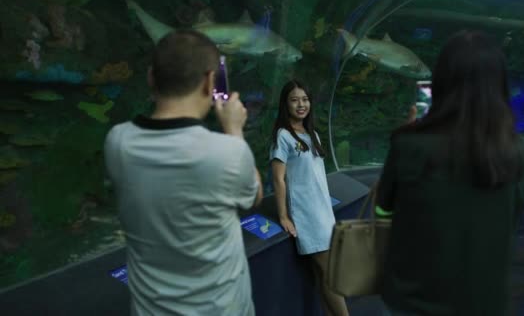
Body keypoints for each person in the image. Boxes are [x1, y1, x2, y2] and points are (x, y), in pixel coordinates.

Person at [104, 29, 263, 316]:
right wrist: (234, 130)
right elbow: (254, 197)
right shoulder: (227, 152)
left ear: (151, 78)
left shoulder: (118, 141)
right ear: (210, 81)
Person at [375, 30, 524, 316]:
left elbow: (383, 209)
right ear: (499, 84)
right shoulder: (518, 152)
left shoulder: (409, 144)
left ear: (441, 80)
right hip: (486, 303)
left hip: (412, 302)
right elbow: (513, 219)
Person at [270, 80, 349, 316]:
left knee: (324, 279)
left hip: (323, 212)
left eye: (305, 99)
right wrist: (283, 215)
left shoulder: (312, 134)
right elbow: (278, 179)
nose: (301, 104)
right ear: (286, 105)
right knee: (330, 276)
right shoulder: (283, 136)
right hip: (307, 215)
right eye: (294, 100)